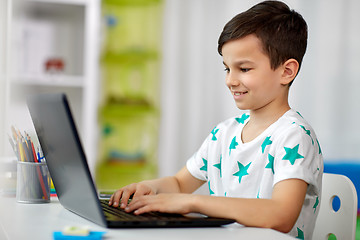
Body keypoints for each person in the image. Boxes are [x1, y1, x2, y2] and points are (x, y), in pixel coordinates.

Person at [109, 1, 323, 239]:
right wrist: (151, 188)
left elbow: (281, 216)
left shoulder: (294, 135)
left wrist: (193, 203)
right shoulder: (223, 133)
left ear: (286, 71)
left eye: (243, 69)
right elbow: (180, 185)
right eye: (227, 69)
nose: (230, 80)